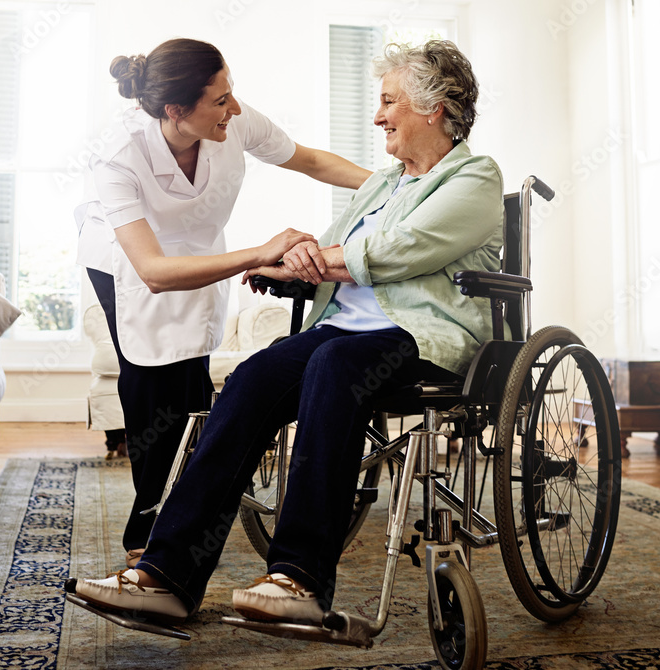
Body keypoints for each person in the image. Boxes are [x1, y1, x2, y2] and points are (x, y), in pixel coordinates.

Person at [70, 39, 504, 626]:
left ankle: (298, 577)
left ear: (434, 109)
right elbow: (329, 253)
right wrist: (281, 264)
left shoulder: (474, 177)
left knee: (334, 366)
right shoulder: (383, 183)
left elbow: (394, 250)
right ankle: (165, 574)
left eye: (388, 102)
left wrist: (303, 258)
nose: (377, 116)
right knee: (251, 378)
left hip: (415, 336)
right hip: (340, 331)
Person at [75, 37, 371, 569]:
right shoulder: (118, 157)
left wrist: (397, 187)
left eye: (231, 93)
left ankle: (180, 509)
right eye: (220, 100)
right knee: (150, 375)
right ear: (175, 111)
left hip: (195, 249)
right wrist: (259, 253)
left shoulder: (232, 119)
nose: (233, 108)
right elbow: (154, 273)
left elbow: (309, 161)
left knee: (190, 374)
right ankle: (149, 528)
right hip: (128, 259)